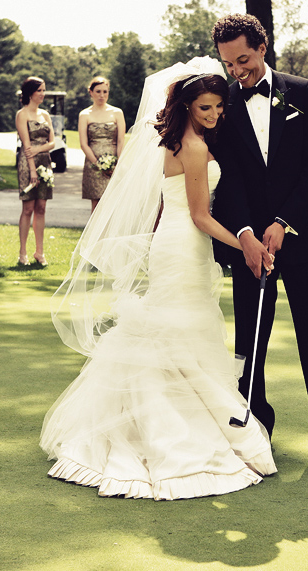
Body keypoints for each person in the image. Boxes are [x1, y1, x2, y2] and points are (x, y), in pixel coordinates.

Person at [42, 57, 276, 500]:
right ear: (188, 106)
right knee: (180, 332)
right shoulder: (193, 148)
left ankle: (167, 423)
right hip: (186, 243)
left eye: (219, 109)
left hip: (177, 242)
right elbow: (202, 217)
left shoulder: (176, 141)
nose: (214, 115)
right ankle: (174, 438)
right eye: (206, 108)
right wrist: (246, 244)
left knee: (177, 332)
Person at [211, 13, 308, 466]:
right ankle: (255, 432)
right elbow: (227, 179)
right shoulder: (224, 103)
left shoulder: (304, 93)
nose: (237, 71)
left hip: (302, 239)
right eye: (229, 64)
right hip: (250, 247)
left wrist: (283, 222)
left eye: (244, 60)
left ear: (263, 48)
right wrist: (248, 235)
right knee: (251, 342)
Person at [15, 77, 56, 266]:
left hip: (44, 161)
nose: (42, 93)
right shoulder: (22, 114)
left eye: (44, 90)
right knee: (28, 208)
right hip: (27, 163)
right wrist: (32, 170)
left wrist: (41, 150)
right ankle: (22, 253)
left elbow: (53, 143)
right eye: (39, 90)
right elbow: (26, 145)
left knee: (41, 208)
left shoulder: (45, 115)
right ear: (30, 92)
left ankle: (40, 252)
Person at [79, 76, 126, 211]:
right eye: (98, 91)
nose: (102, 95)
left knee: (113, 204)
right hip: (93, 165)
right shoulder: (84, 114)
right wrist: (99, 164)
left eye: (105, 92)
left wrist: (117, 164)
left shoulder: (117, 113)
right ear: (91, 92)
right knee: (97, 205)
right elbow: (83, 143)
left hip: (114, 165)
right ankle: (96, 233)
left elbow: (120, 140)